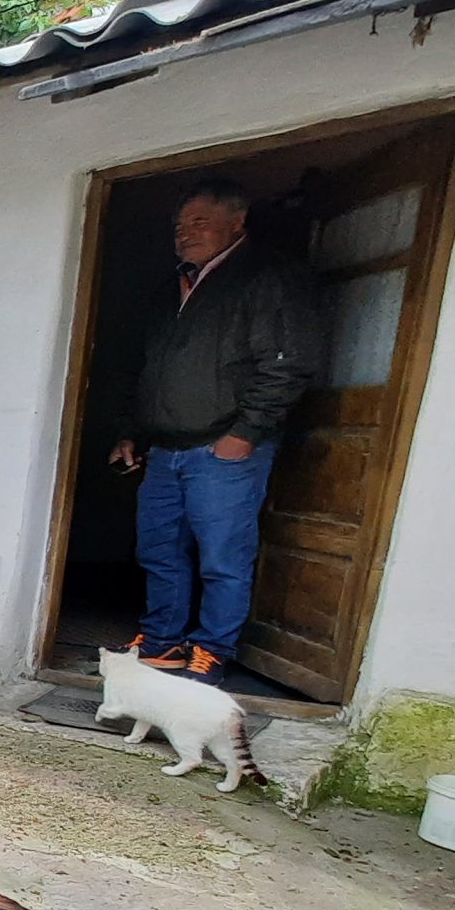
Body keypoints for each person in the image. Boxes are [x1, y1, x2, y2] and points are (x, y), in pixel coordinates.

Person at [107, 178, 321, 686]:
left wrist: (244, 433)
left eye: (199, 222)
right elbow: (147, 370)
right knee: (158, 551)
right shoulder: (172, 288)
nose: (185, 234)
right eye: (179, 226)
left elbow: (288, 364)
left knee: (222, 559)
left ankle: (210, 650)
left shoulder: (267, 277)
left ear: (237, 220)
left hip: (224, 448)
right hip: (166, 448)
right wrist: (130, 431)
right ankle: (162, 641)